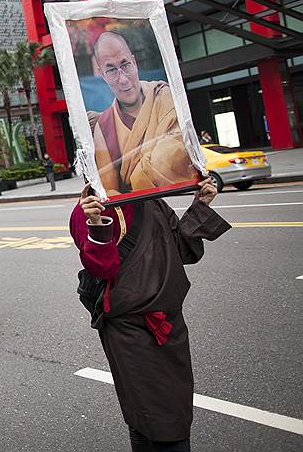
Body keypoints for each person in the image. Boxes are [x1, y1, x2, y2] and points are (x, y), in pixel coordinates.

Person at [70, 178, 229, 451]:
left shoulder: (147, 198)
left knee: (163, 413)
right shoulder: (89, 209)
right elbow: (102, 269)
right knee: (159, 419)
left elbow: (180, 248)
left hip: (169, 322)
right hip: (130, 330)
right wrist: (95, 222)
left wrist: (201, 204)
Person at [91, 31, 196, 195]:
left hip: (178, 199)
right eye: (111, 70)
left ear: (134, 62)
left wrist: (138, 176)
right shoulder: (103, 127)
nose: (123, 79)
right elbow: (109, 191)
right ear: (101, 74)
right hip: (136, 211)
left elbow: (177, 150)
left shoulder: (163, 96)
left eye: (125, 65)